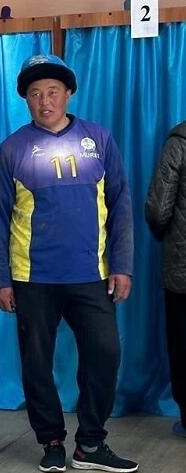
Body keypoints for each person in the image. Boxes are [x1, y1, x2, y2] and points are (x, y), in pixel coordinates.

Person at [0, 54, 138, 473]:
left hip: (92, 274)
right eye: (35, 94)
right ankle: (51, 439)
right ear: (26, 100)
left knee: (105, 352)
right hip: (32, 277)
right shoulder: (12, 149)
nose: (45, 101)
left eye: (52, 91)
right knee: (37, 363)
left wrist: (122, 265)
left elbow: (121, 204)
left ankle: (90, 443)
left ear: (68, 93)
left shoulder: (98, 139)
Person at [145, 120, 186, 439]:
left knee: (182, 343)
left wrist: (168, 238)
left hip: (182, 267)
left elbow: (158, 209)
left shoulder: (179, 141)